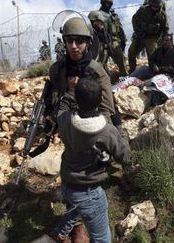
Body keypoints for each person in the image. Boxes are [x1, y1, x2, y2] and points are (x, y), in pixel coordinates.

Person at [50, 78, 130, 243]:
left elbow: (63, 106)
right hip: (89, 191)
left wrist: (71, 90)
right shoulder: (107, 131)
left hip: (67, 182)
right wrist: (120, 128)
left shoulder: (65, 120)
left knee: (76, 205)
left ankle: (60, 232)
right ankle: (61, 231)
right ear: (101, 100)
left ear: (77, 100)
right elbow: (125, 156)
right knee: (102, 238)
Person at [47, 17, 115, 124]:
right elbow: (51, 102)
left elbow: (106, 112)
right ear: (65, 42)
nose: (74, 46)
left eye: (79, 41)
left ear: (88, 43)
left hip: (89, 124)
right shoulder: (56, 69)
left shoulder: (97, 72)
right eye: (69, 40)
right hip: (62, 120)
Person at [128, 0, 169, 73]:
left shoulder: (162, 15)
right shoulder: (143, 10)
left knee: (153, 57)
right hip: (140, 36)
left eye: (156, 7)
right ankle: (132, 71)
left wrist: (162, 41)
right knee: (131, 52)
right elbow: (134, 19)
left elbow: (165, 29)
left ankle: (153, 73)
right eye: (153, 6)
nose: (154, 8)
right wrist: (137, 30)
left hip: (152, 38)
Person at [99, 0, 128, 76]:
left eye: (109, 3)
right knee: (101, 64)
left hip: (114, 42)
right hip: (102, 42)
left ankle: (124, 76)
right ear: (102, 3)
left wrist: (123, 41)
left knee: (121, 61)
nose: (107, 5)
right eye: (106, 3)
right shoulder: (97, 15)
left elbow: (120, 29)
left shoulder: (114, 16)